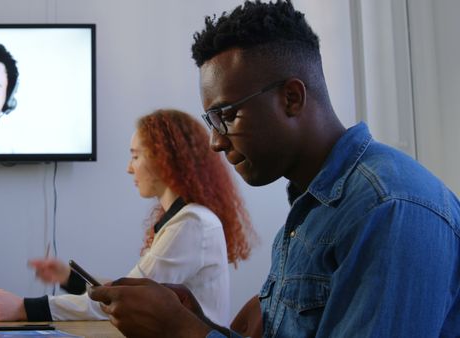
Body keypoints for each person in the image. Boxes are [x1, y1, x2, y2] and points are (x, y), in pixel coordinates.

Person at [88, 1, 460, 337]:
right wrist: (198, 321)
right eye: (211, 121)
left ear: (292, 98)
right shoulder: (308, 213)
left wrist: (184, 333)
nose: (216, 141)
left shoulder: (389, 208)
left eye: (227, 116)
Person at [0, 109, 255, 325]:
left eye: (136, 156)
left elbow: (128, 299)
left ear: (164, 159)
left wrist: (24, 308)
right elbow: (133, 288)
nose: (128, 169)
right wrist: (69, 279)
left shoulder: (192, 224)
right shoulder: (188, 220)